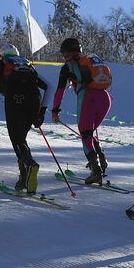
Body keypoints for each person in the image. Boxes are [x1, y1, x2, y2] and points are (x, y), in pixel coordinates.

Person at [0, 45, 48, 192]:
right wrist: (42, 112)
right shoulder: (27, 64)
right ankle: (24, 177)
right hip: (34, 101)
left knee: (16, 139)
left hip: (14, 101)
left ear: (1, 56)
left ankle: (30, 165)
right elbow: (48, 86)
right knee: (21, 139)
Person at [50, 37, 113, 184]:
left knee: (85, 135)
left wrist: (55, 110)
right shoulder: (90, 61)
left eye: (64, 54)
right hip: (105, 98)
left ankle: (95, 171)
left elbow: (60, 91)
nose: (64, 57)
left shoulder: (68, 67)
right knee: (89, 133)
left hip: (87, 98)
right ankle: (101, 160)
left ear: (67, 53)